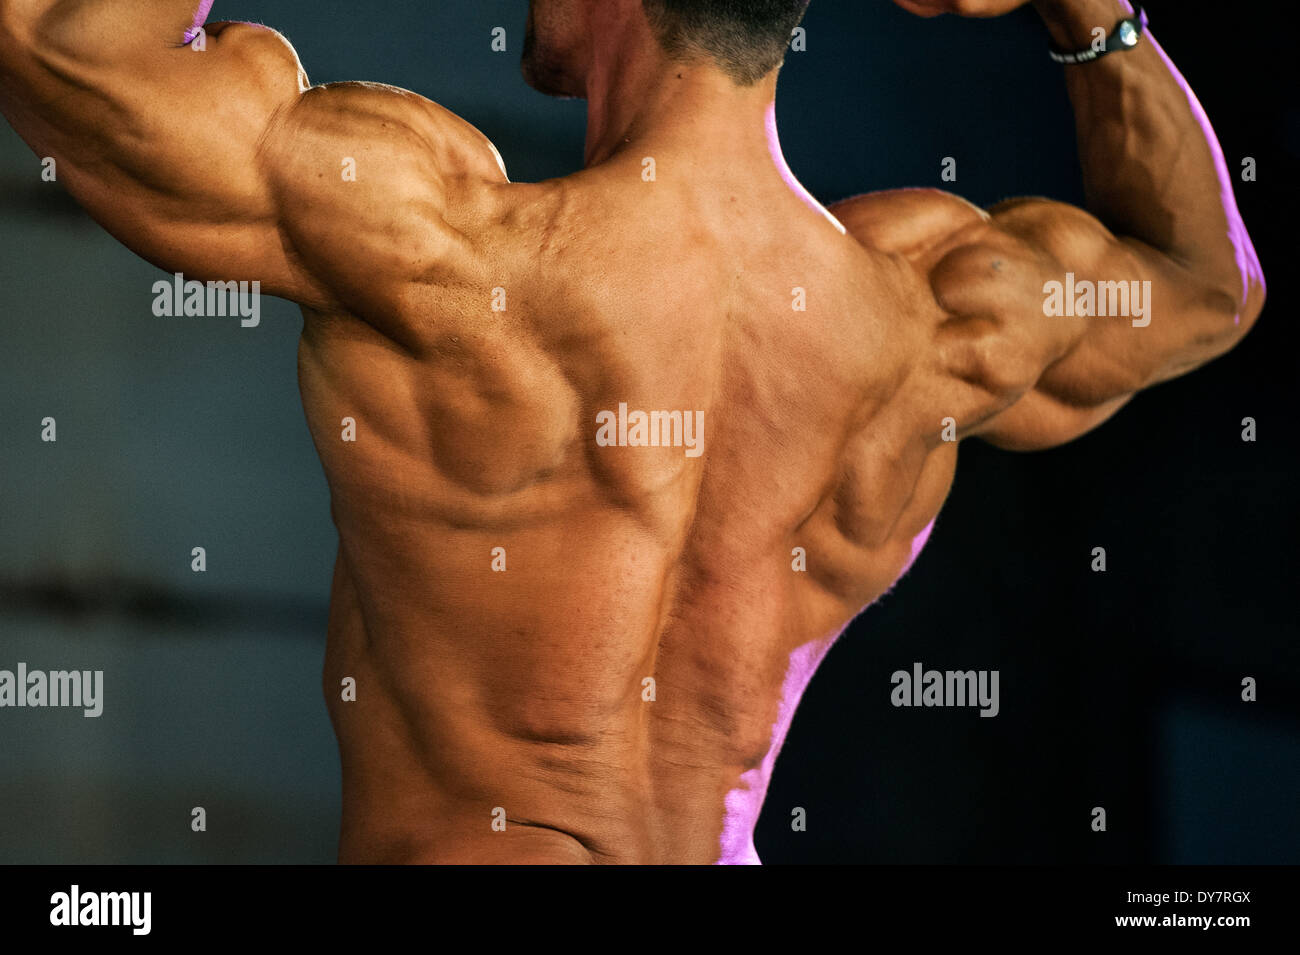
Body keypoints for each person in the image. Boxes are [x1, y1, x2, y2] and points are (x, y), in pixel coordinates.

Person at [0, 0, 1265, 863]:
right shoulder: (931, 323)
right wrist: (1089, 13)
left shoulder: (440, 247)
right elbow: (1209, 284)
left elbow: (59, 42)